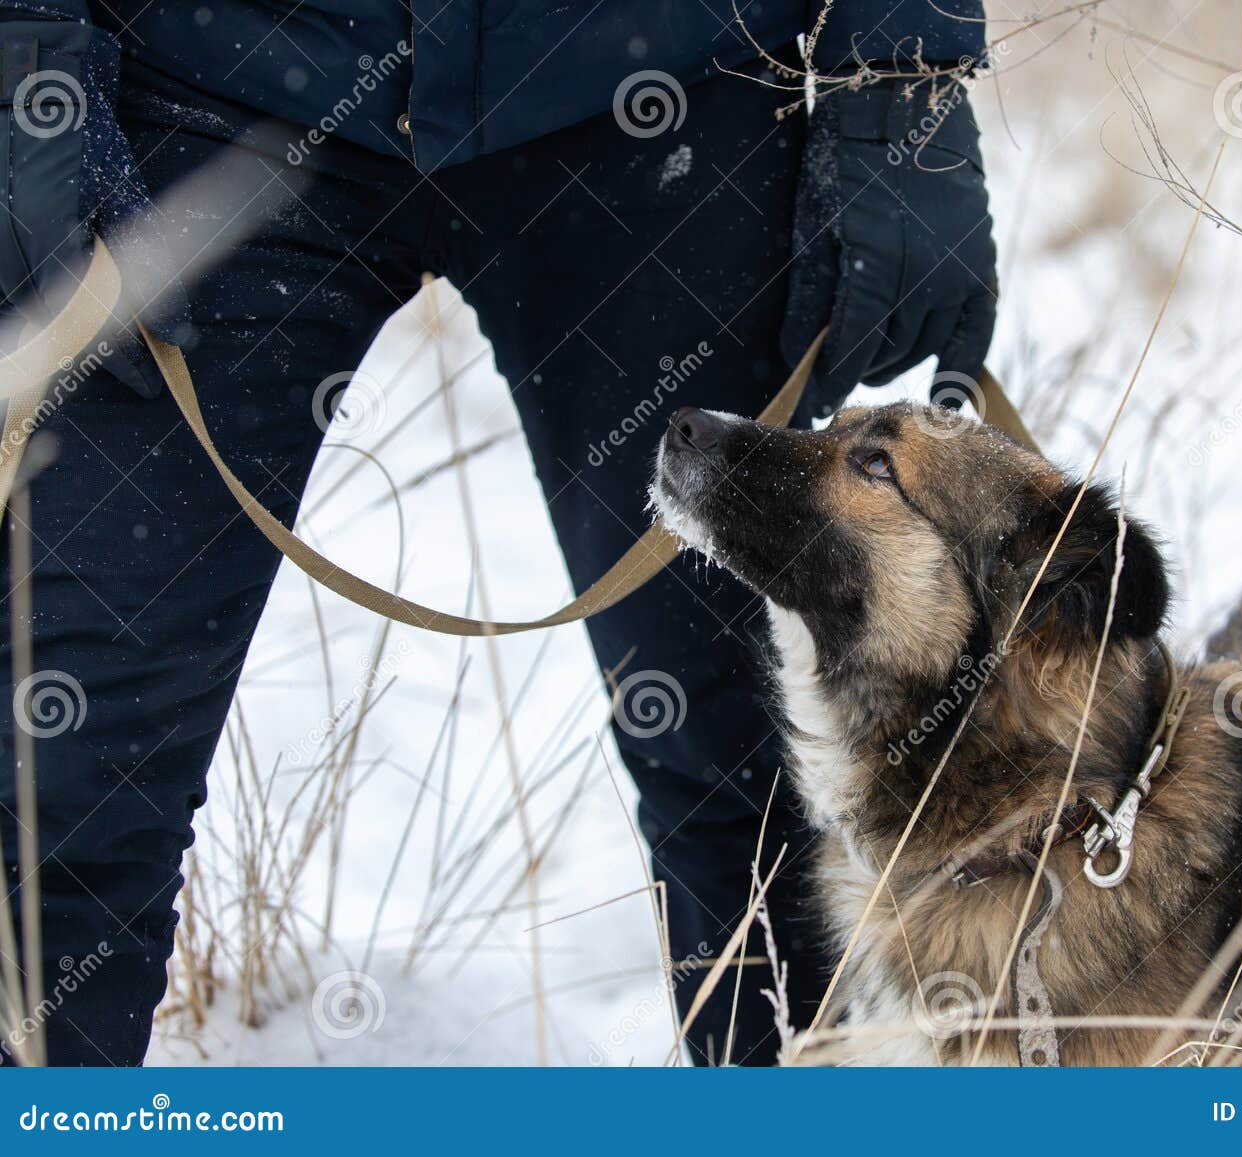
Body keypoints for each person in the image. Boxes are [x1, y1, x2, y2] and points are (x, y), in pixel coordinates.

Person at [0, 1, 996, 1066]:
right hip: (215, 74)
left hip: (657, 90)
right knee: (58, 775)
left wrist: (901, 75)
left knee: (751, 774)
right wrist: (27, 49)